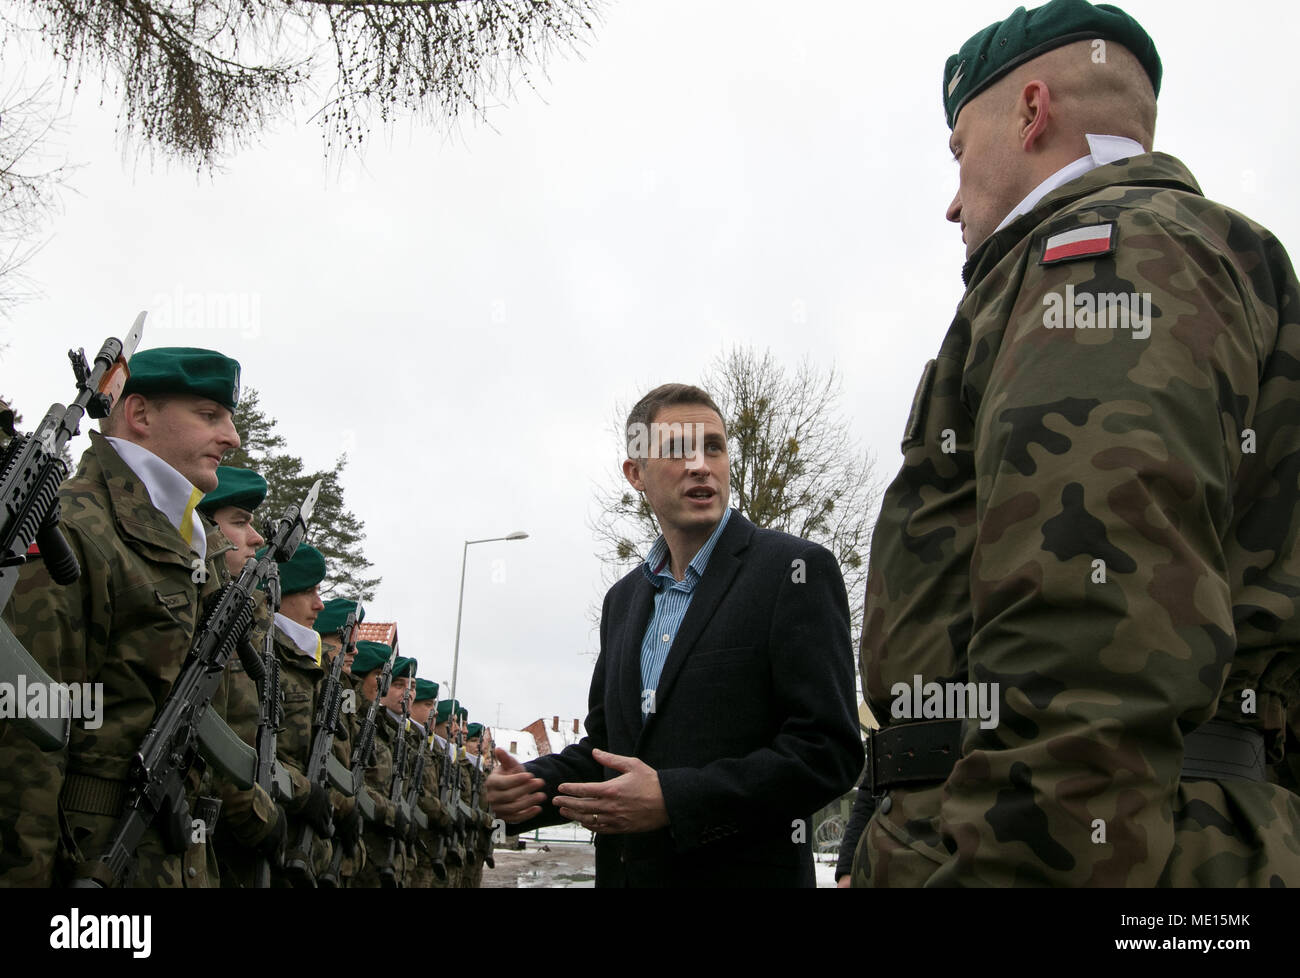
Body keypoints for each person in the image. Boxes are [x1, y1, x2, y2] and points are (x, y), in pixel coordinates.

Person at [853, 0, 1300, 887]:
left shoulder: (1104, 256)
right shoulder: (1169, 254)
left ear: (1030, 111)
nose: (951, 202)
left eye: (957, 152)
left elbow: (1092, 634)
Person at [486, 383, 863, 887]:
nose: (700, 465)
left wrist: (674, 799)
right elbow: (607, 750)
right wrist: (531, 788)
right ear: (635, 473)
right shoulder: (622, 602)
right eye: (677, 450)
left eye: (713, 446)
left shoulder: (794, 571)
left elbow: (827, 752)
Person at [0, 347, 244, 887]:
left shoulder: (191, 545)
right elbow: (21, 743)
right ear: (139, 414)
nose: (232, 437)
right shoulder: (76, 525)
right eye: (209, 416)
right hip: (88, 864)